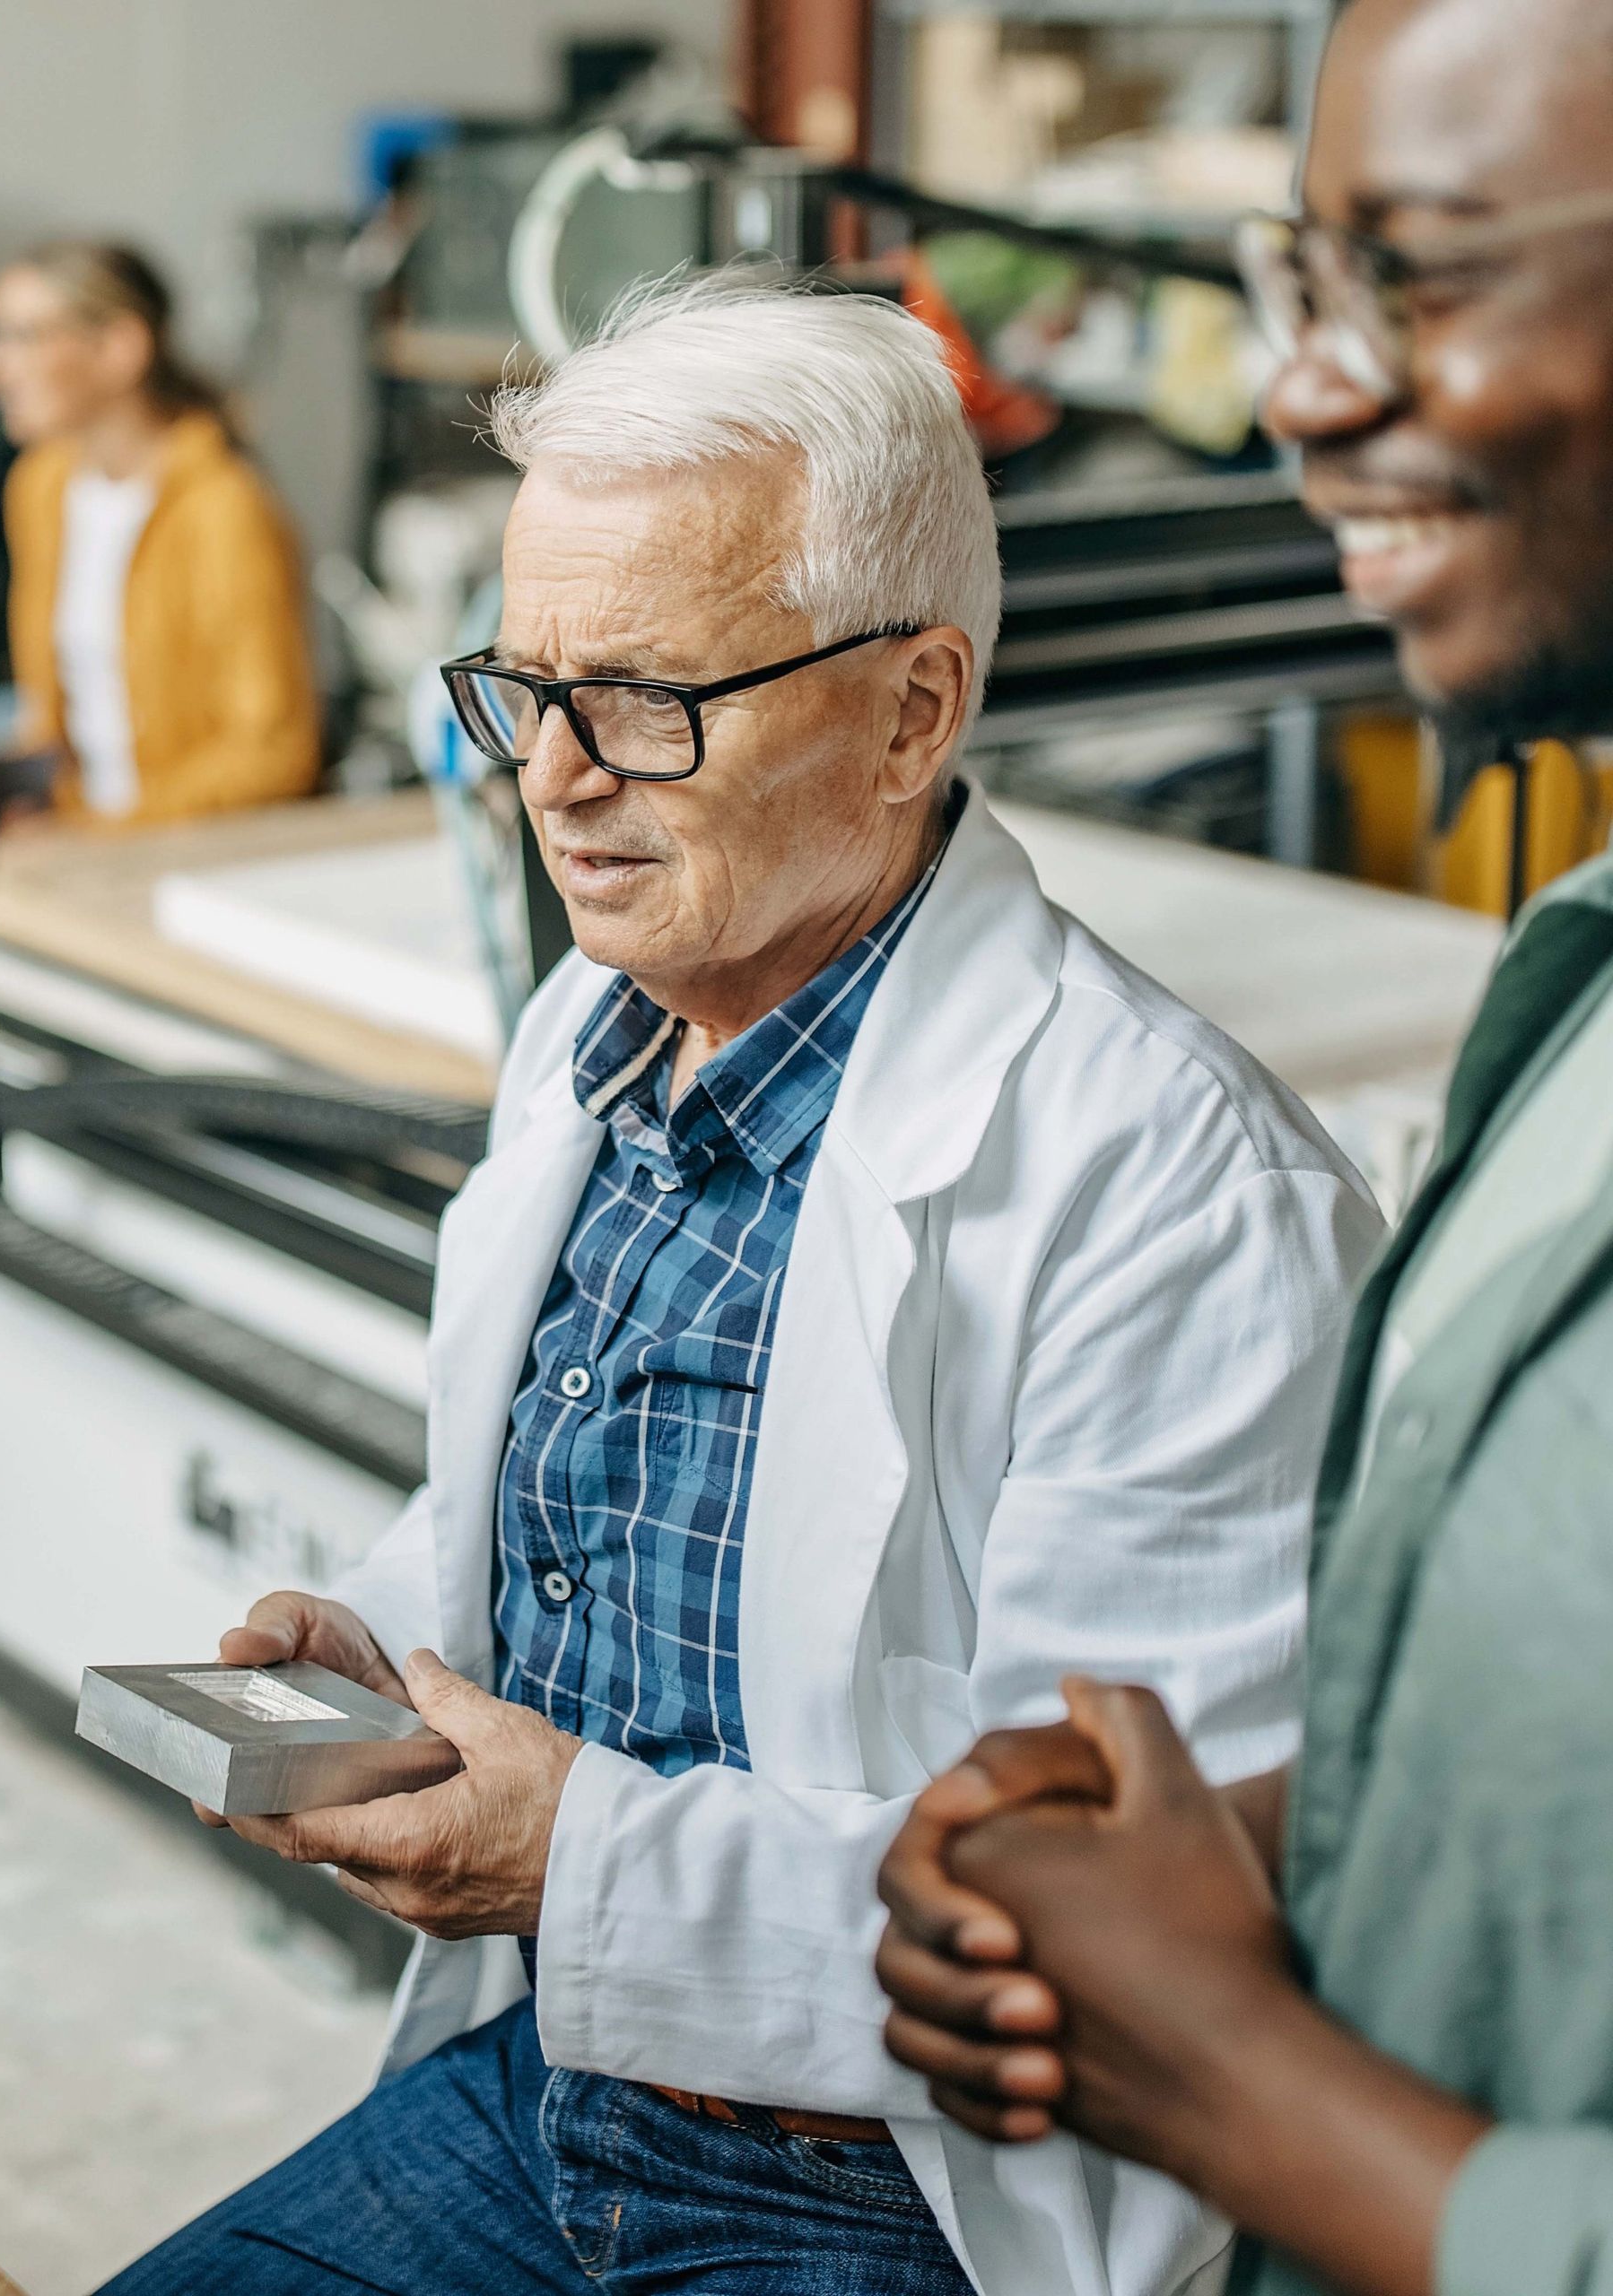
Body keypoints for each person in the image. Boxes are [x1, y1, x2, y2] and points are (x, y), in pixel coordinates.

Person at [97, 277, 1379, 2296]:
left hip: (901, 2198)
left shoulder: (1182, 1199)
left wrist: (572, 1858)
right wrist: (382, 1646)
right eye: (524, 690)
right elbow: (559, 1521)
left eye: (646, 699)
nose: (555, 778)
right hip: (554, 2083)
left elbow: (1156, 1946)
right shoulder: (591, 1040)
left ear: (911, 710)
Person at [876, 4, 1613, 2292]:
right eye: (1303, 278)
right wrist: (1264, 1850)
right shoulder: (1576, 987)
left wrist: (1225, 2072)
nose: (1303, 388)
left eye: (1419, 272)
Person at [0, 240, 319, 827]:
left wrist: (101, 835)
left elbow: (275, 754)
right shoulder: (40, 486)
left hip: (183, 847)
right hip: (77, 832)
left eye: (24, 337)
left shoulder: (226, 507)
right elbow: (47, 712)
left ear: (118, 348)